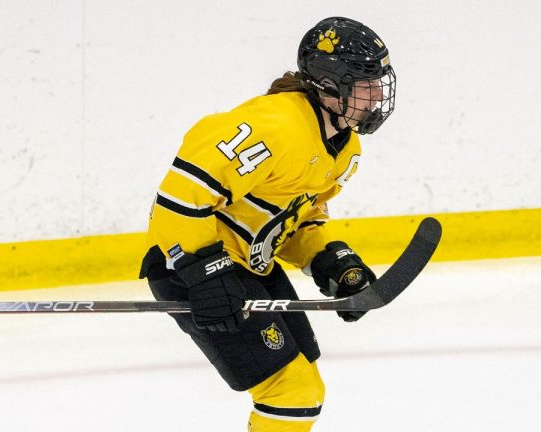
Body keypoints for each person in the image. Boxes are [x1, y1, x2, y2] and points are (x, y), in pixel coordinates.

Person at [139, 16, 396, 431]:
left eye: (379, 80)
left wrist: (331, 263)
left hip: (249, 267)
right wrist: (203, 275)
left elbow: (296, 218)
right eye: (365, 81)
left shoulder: (345, 148)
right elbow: (181, 193)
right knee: (289, 392)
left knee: (304, 384)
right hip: (192, 267)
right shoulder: (274, 124)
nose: (377, 93)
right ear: (330, 83)